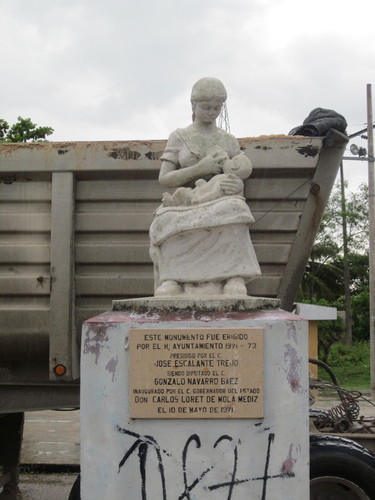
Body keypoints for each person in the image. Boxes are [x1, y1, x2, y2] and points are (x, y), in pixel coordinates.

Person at [149, 77, 261, 296]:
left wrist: (235, 182)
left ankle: (233, 277)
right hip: (186, 200)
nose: (211, 112)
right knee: (165, 219)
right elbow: (165, 179)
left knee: (236, 210)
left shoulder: (228, 140)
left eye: (216, 108)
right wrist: (199, 168)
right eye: (206, 107)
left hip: (219, 198)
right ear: (193, 105)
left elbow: (239, 170)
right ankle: (172, 278)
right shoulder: (179, 136)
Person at [161, 145, 252, 207]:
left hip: (208, 199)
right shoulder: (177, 136)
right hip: (196, 193)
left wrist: (238, 185)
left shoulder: (230, 140)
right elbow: (164, 179)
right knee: (181, 192)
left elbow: (241, 172)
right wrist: (199, 168)